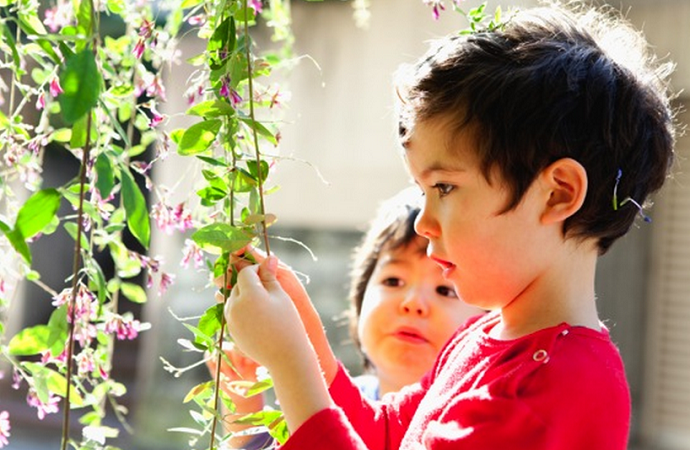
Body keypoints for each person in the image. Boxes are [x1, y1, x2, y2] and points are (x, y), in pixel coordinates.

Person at [222, 2, 676, 449]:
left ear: (557, 193)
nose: (423, 223)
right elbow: (380, 435)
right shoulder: (480, 337)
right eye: (422, 192)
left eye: (443, 187)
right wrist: (303, 337)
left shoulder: (559, 384)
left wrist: (288, 360)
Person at [208, 188, 483, 448]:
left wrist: (287, 357)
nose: (413, 303)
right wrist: (244, 406)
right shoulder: (329, 397)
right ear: (360, 298)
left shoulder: (469, 424)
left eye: (445, 290)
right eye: (394, 281)